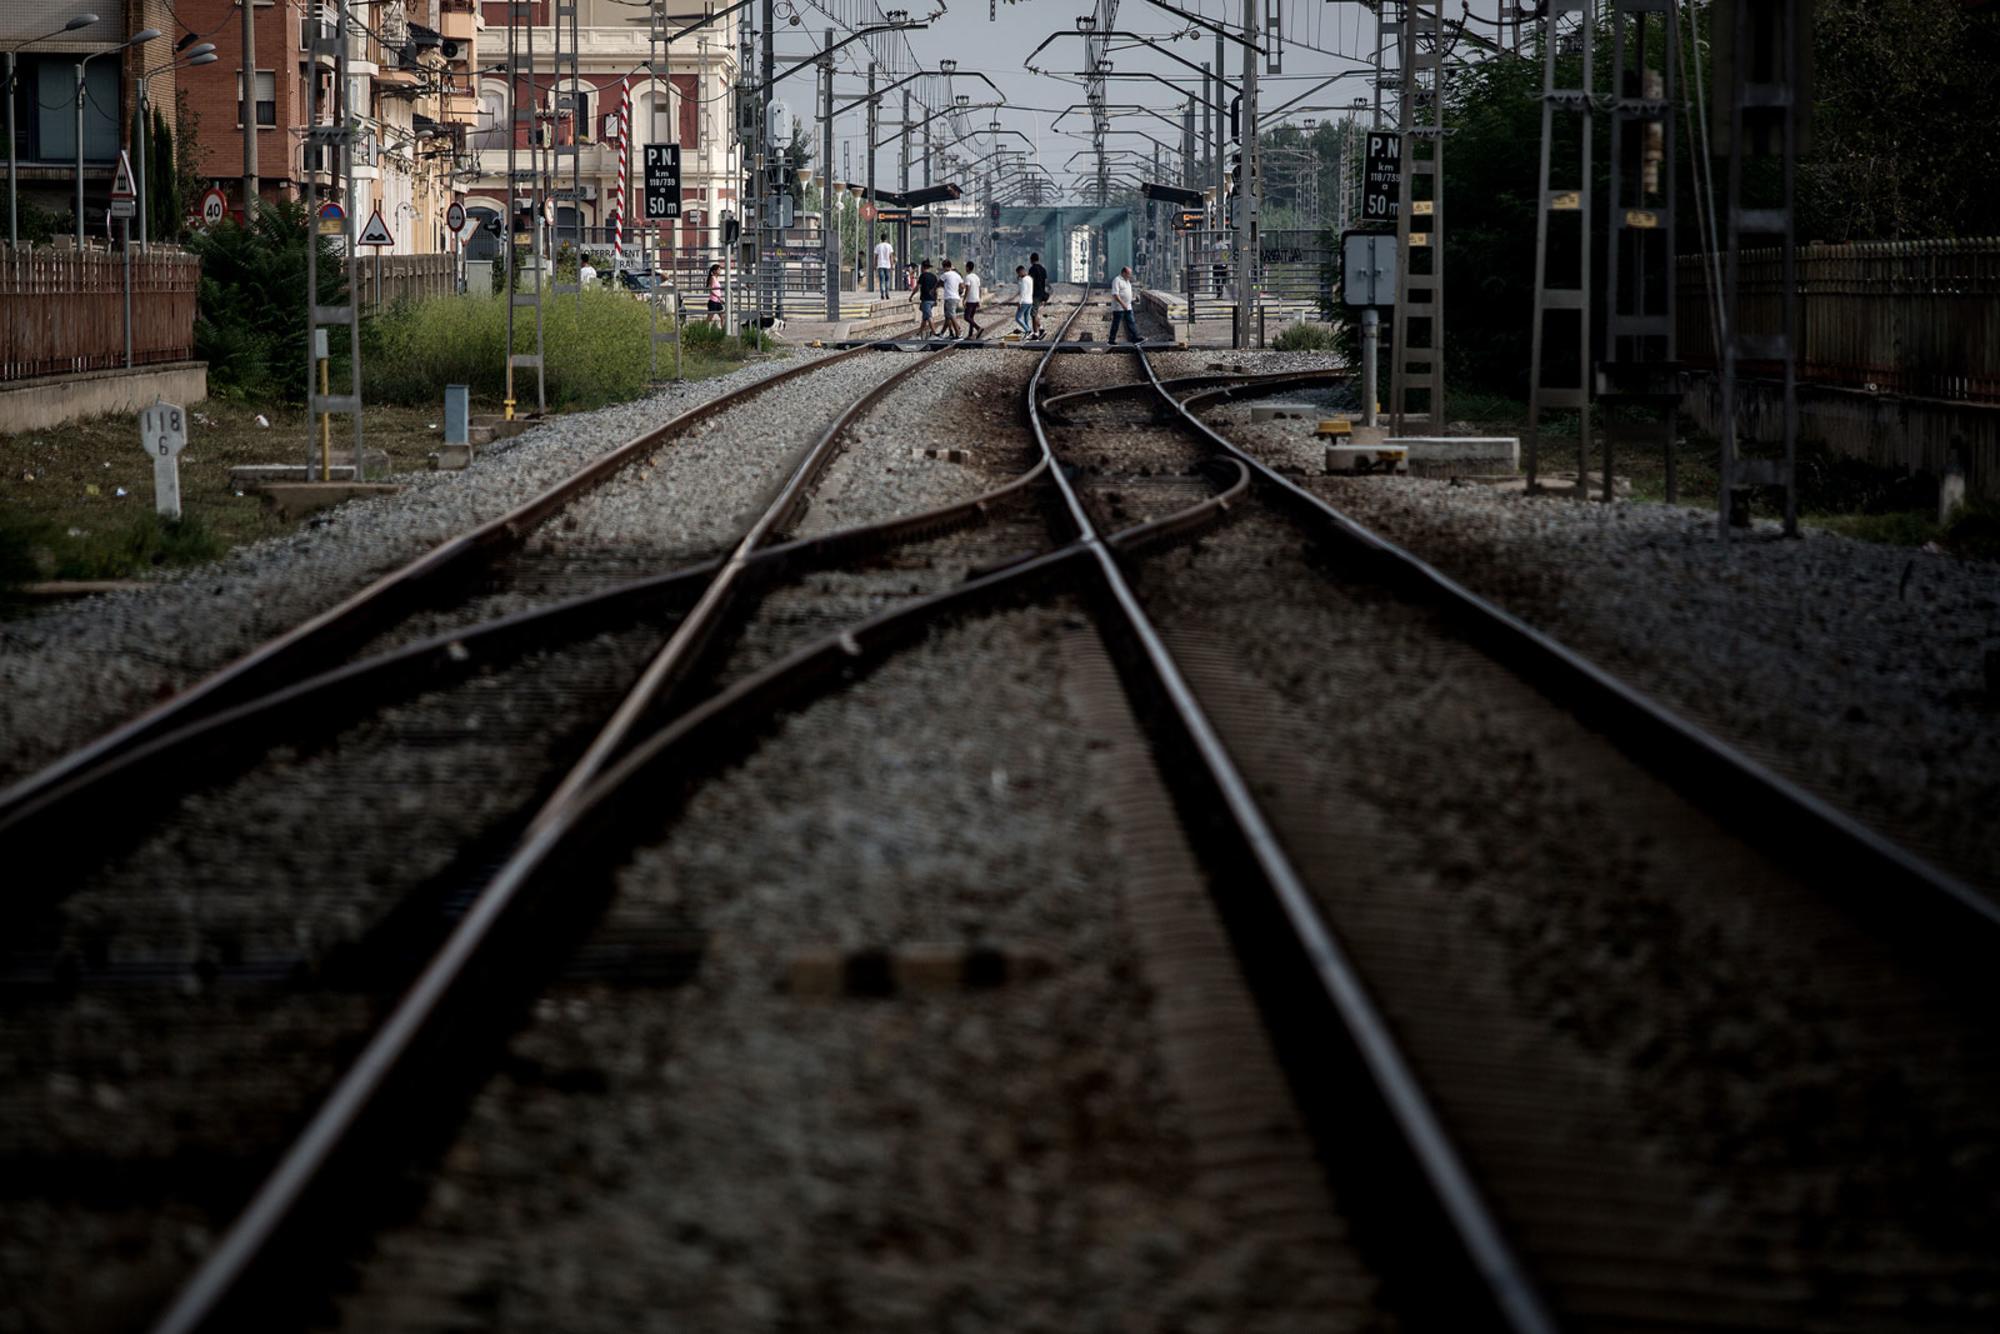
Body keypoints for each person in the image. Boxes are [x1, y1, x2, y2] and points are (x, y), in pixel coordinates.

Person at [1108, 265, 1139, 345]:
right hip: (1119, 307)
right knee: (1116, 324)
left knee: (1131, 322)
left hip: (1128, 306)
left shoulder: (1127, 281)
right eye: (1129, 273)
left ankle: (1135, 338)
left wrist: (1134, 299)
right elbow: (1115, 294)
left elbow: (1127, 293)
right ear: (1123, 273)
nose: (1130, 275)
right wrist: (1123, 304)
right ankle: (1111, 340)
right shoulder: (1117, 280)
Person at [910, 258, 940, 337]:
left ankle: (934, 334)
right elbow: (936, 290)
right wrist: (936, 300)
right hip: (932, 299)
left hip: (926, 299)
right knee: (925, 318)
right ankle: (919, 334)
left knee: (929, 316)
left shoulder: (922, 276)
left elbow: (917, 288)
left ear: (923, 267)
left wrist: (911, 296)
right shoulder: (934, 277)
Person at [938, 259, 965, 339]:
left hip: (949, 298)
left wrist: (933, 290)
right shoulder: (957, 275)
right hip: (956, 298)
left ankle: (958, 331)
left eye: (943, 267)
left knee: (951, 316)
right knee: (948, 317)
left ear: (945, 267)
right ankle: (942, 334)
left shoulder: (945, 274)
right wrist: (959, 292)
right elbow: (962, 286)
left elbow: (939, 283)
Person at [1027, 251, 1050, 340]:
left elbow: (1030, 281)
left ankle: (1036, 333)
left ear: (1031, 260)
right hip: (1042, 293)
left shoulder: (1032, 269)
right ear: (1038, 259)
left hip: (1035, 294)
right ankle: (1040, 329)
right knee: (1035, 312)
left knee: (1033, 313)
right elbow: (1046, 282)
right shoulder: (1043, 269)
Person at [962, 261, 983, 340]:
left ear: (967, 267)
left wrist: (964, 299)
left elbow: (967, 288)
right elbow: (979, 289)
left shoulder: (968, 277)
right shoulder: (977, 277)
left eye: (966, 267)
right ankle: (970, 335)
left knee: (966, 317)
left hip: (970, 300)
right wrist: (979, 299)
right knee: (971, 317)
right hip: (976, 299)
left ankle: (978, 328)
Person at [1013, 265, 1034, 338]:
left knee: (1017, 318)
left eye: (1018, 273)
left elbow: (1023, 292)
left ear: (1021, 271)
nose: (1018, 275)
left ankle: (1028, 330)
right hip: (1030, 301)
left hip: (1024, 301)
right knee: (1026, 319)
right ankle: (1028, 334)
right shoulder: (1030, 278)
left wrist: (1019, 302)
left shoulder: (1024, 280)